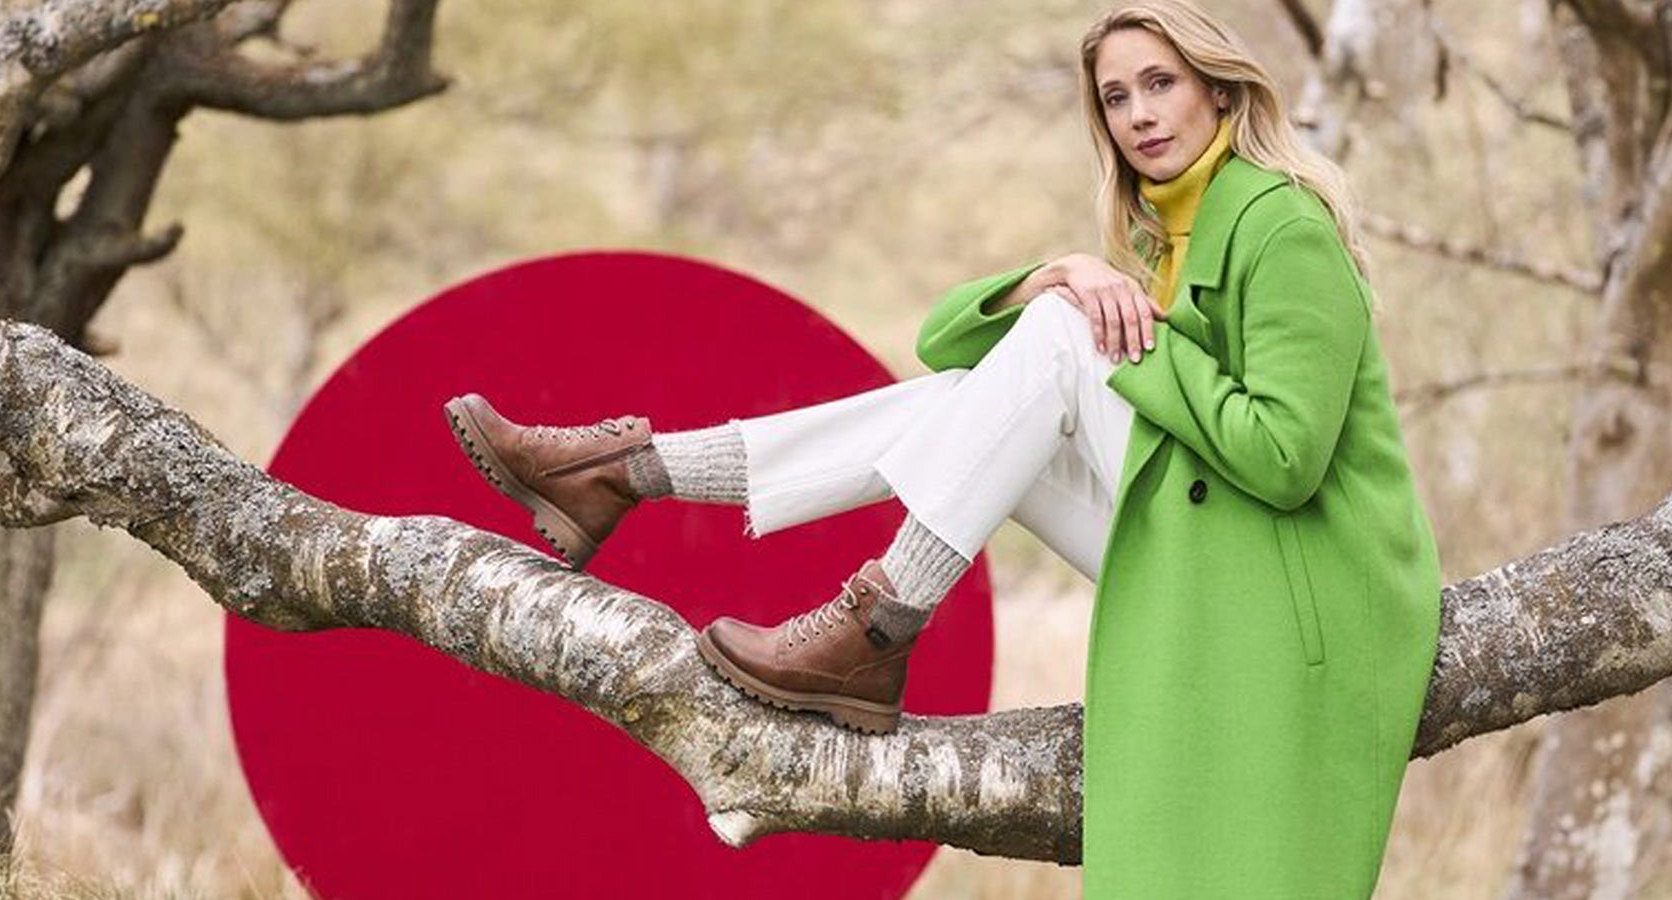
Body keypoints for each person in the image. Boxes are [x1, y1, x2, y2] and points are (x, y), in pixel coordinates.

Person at [442, 2, 1441, 894]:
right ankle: (630, 473)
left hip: (1305, 585)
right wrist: (1056, 274)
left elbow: (1283, 458)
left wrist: (1125, 337)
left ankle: (872, 621)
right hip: (1218, 549)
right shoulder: (1157, 239)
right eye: (1115, 97)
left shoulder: (1280, 225)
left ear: (1218, 91)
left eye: (1159, 83)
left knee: (1057, 341)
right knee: (974, 390)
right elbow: (943, 345)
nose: (1139, 113)